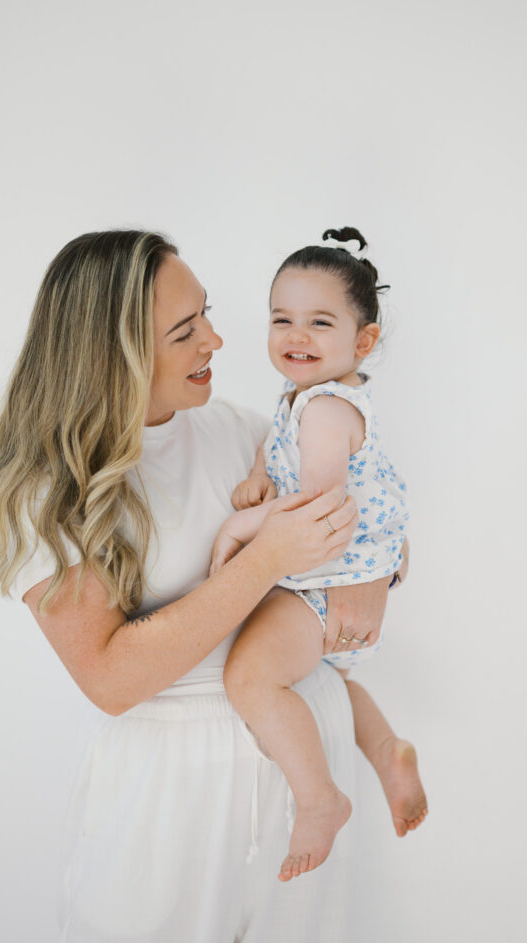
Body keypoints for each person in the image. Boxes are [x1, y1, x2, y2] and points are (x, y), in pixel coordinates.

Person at [0, 228, 409, 943]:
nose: (217, 340)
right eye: (183, 331)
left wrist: (380, 574)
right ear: (116, 351)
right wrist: (265, 558)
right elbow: (111, 678)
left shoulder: (241, 427)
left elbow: (366, 513)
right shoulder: (50, 490)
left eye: (207, 314)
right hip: (169, 796)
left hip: (306, 767)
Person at [209, 226, 428, 883]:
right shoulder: (305, 399)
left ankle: (319, 799)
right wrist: (256, 470)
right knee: (328, 679)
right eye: (282, 319)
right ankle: (385, 749)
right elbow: (281, 441)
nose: (295, 336)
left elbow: (315, 504)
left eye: (318, 322)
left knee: (250, 679)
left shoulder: (328, 411)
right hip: (338, 585)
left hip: (321, 584)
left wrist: (241, 526)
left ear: (363, 341)